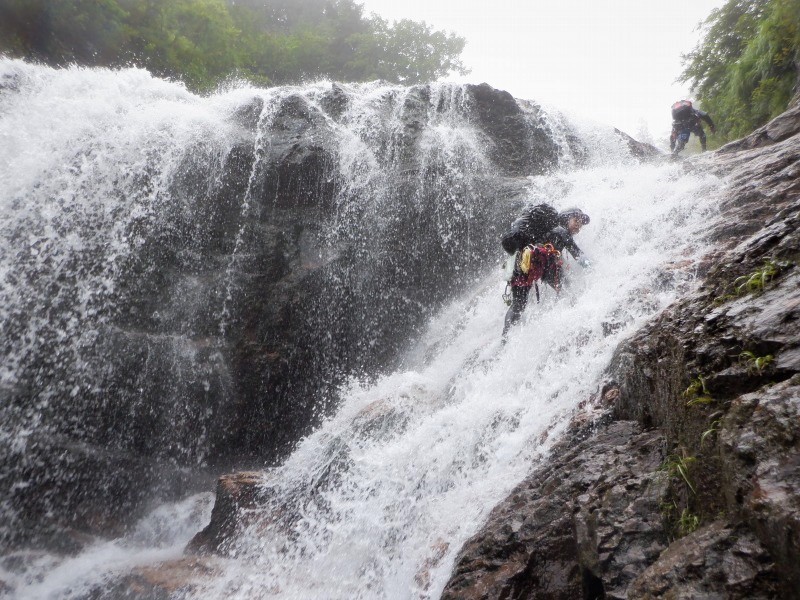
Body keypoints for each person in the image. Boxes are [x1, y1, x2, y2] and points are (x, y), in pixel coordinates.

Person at [502, 208, 590, 338]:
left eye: (581, 224)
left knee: (518, 305)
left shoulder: (546, 231)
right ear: (566, 219)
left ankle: (505, 337)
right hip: (543, 266)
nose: (578, 225)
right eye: (576, 220)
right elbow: (579, 256)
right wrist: (595, 268)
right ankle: (572, 324)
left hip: (522, 264)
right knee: (568, 290)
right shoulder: (561, 231)